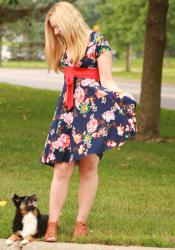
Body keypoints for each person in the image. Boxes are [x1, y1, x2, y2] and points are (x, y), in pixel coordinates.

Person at [39, 1, 137, 242]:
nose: (56, 32)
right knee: (62, 167)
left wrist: (123, 95)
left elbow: (107, 81)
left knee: (89, 167)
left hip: (93, 112)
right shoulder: (62, 44)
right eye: (52, 29)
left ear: (68, 19)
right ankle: (52, 223)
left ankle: (81, 223)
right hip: (68, 110)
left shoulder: (98, 42)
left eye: (57, 26)